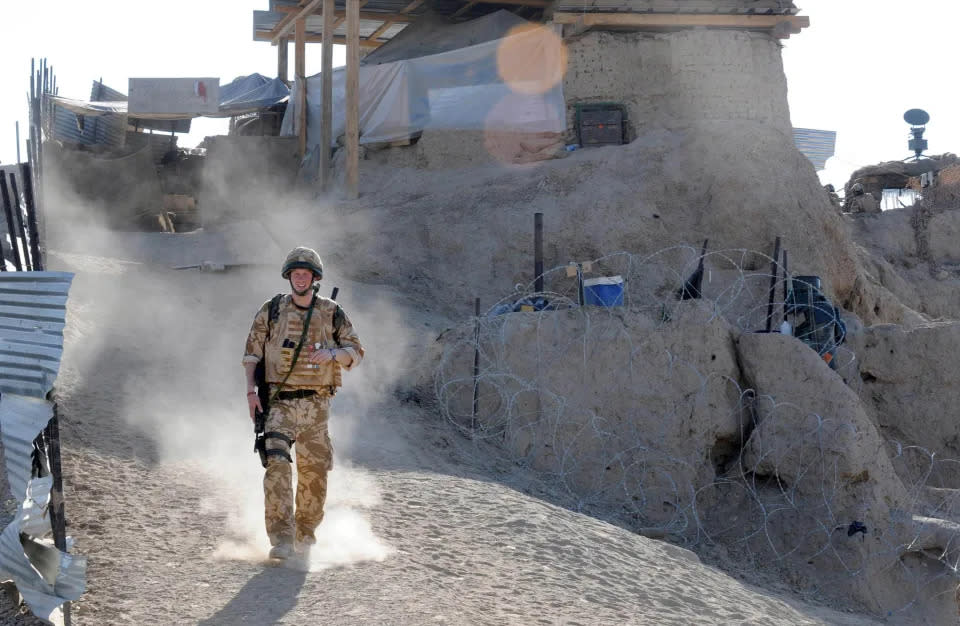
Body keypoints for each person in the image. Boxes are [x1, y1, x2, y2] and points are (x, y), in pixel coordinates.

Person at [242, 247, 364, 561]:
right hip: (279, 404)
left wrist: (333, 354)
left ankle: (305, 535)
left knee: (315, 474)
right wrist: (251, 393)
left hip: (316, 406)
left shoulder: (331, 312)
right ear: (289, 276)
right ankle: (281, 538)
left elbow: (356, 352)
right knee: (278, 467)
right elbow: (252, 354)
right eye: (295, 273)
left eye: (305, 273)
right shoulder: (272, 310)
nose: (299, 278)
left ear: (314, 278)